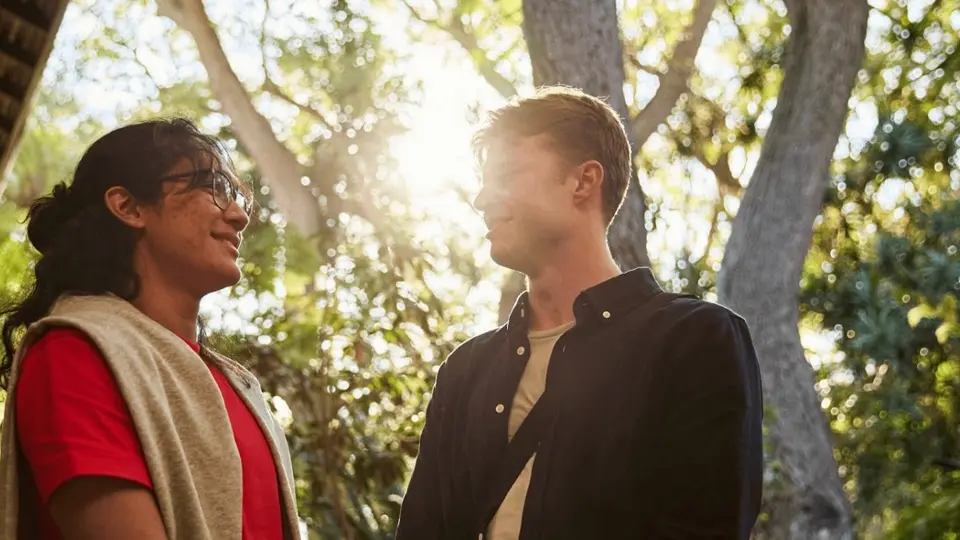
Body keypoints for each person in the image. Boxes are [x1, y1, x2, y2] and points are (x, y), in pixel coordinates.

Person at [395, 87, 764, 540]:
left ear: (585, 182)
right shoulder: (464, 370)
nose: (481, 200)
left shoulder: (697, 340)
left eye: (506, 174)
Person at [0, 119, 301, 540]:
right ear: (129, 207)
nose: (238, 216)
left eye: (237, 197)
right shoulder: (74, 352)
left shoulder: (236, 384)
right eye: (213, 186)